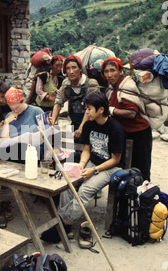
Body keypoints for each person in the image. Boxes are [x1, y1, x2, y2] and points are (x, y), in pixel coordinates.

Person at [41, 91, 125, 247]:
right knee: (68, 183)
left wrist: (94, 170)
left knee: (85, 190)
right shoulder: (89, 125)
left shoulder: (116, 129)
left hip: (110, 168)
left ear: (101, 109)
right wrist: (81, 165)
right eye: (86, 108)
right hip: (91, 162)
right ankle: (66, 222)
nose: (86, 112)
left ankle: (62, 225)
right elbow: (86, 150)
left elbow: (115, 159)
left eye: (89, 109)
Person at [0, 87, 45, 225]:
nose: (15, 111)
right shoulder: (9, 116)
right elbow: (2, 140)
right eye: (12, 108)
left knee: (13, 148)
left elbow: (47, 135)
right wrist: (7, 122)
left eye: (18, 107)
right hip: (14, 151)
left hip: (32, 152)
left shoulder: (37, 112)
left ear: (23, 100)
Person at [102, 57, 152, 181]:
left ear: (120, 72)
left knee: (140, 170)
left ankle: (144, 197)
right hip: (125, 135)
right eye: (106, 71)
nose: (109, 74)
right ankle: (125, 199)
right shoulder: (113, 88)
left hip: (139, 135)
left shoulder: (126, 87)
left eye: (112, 70)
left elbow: (131, 113)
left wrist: (112, 110)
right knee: (124, 170)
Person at [49, 55, 99, 142]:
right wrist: (53, 121)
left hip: (92, 124)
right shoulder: (66, 85)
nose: (71, 71)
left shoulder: (91, 84)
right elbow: (58, 103)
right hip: (75, 124)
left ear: (80, 69)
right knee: (68, 148)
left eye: (74, 67)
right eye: (68, 68)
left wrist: (81, 128)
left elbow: (90, 108)